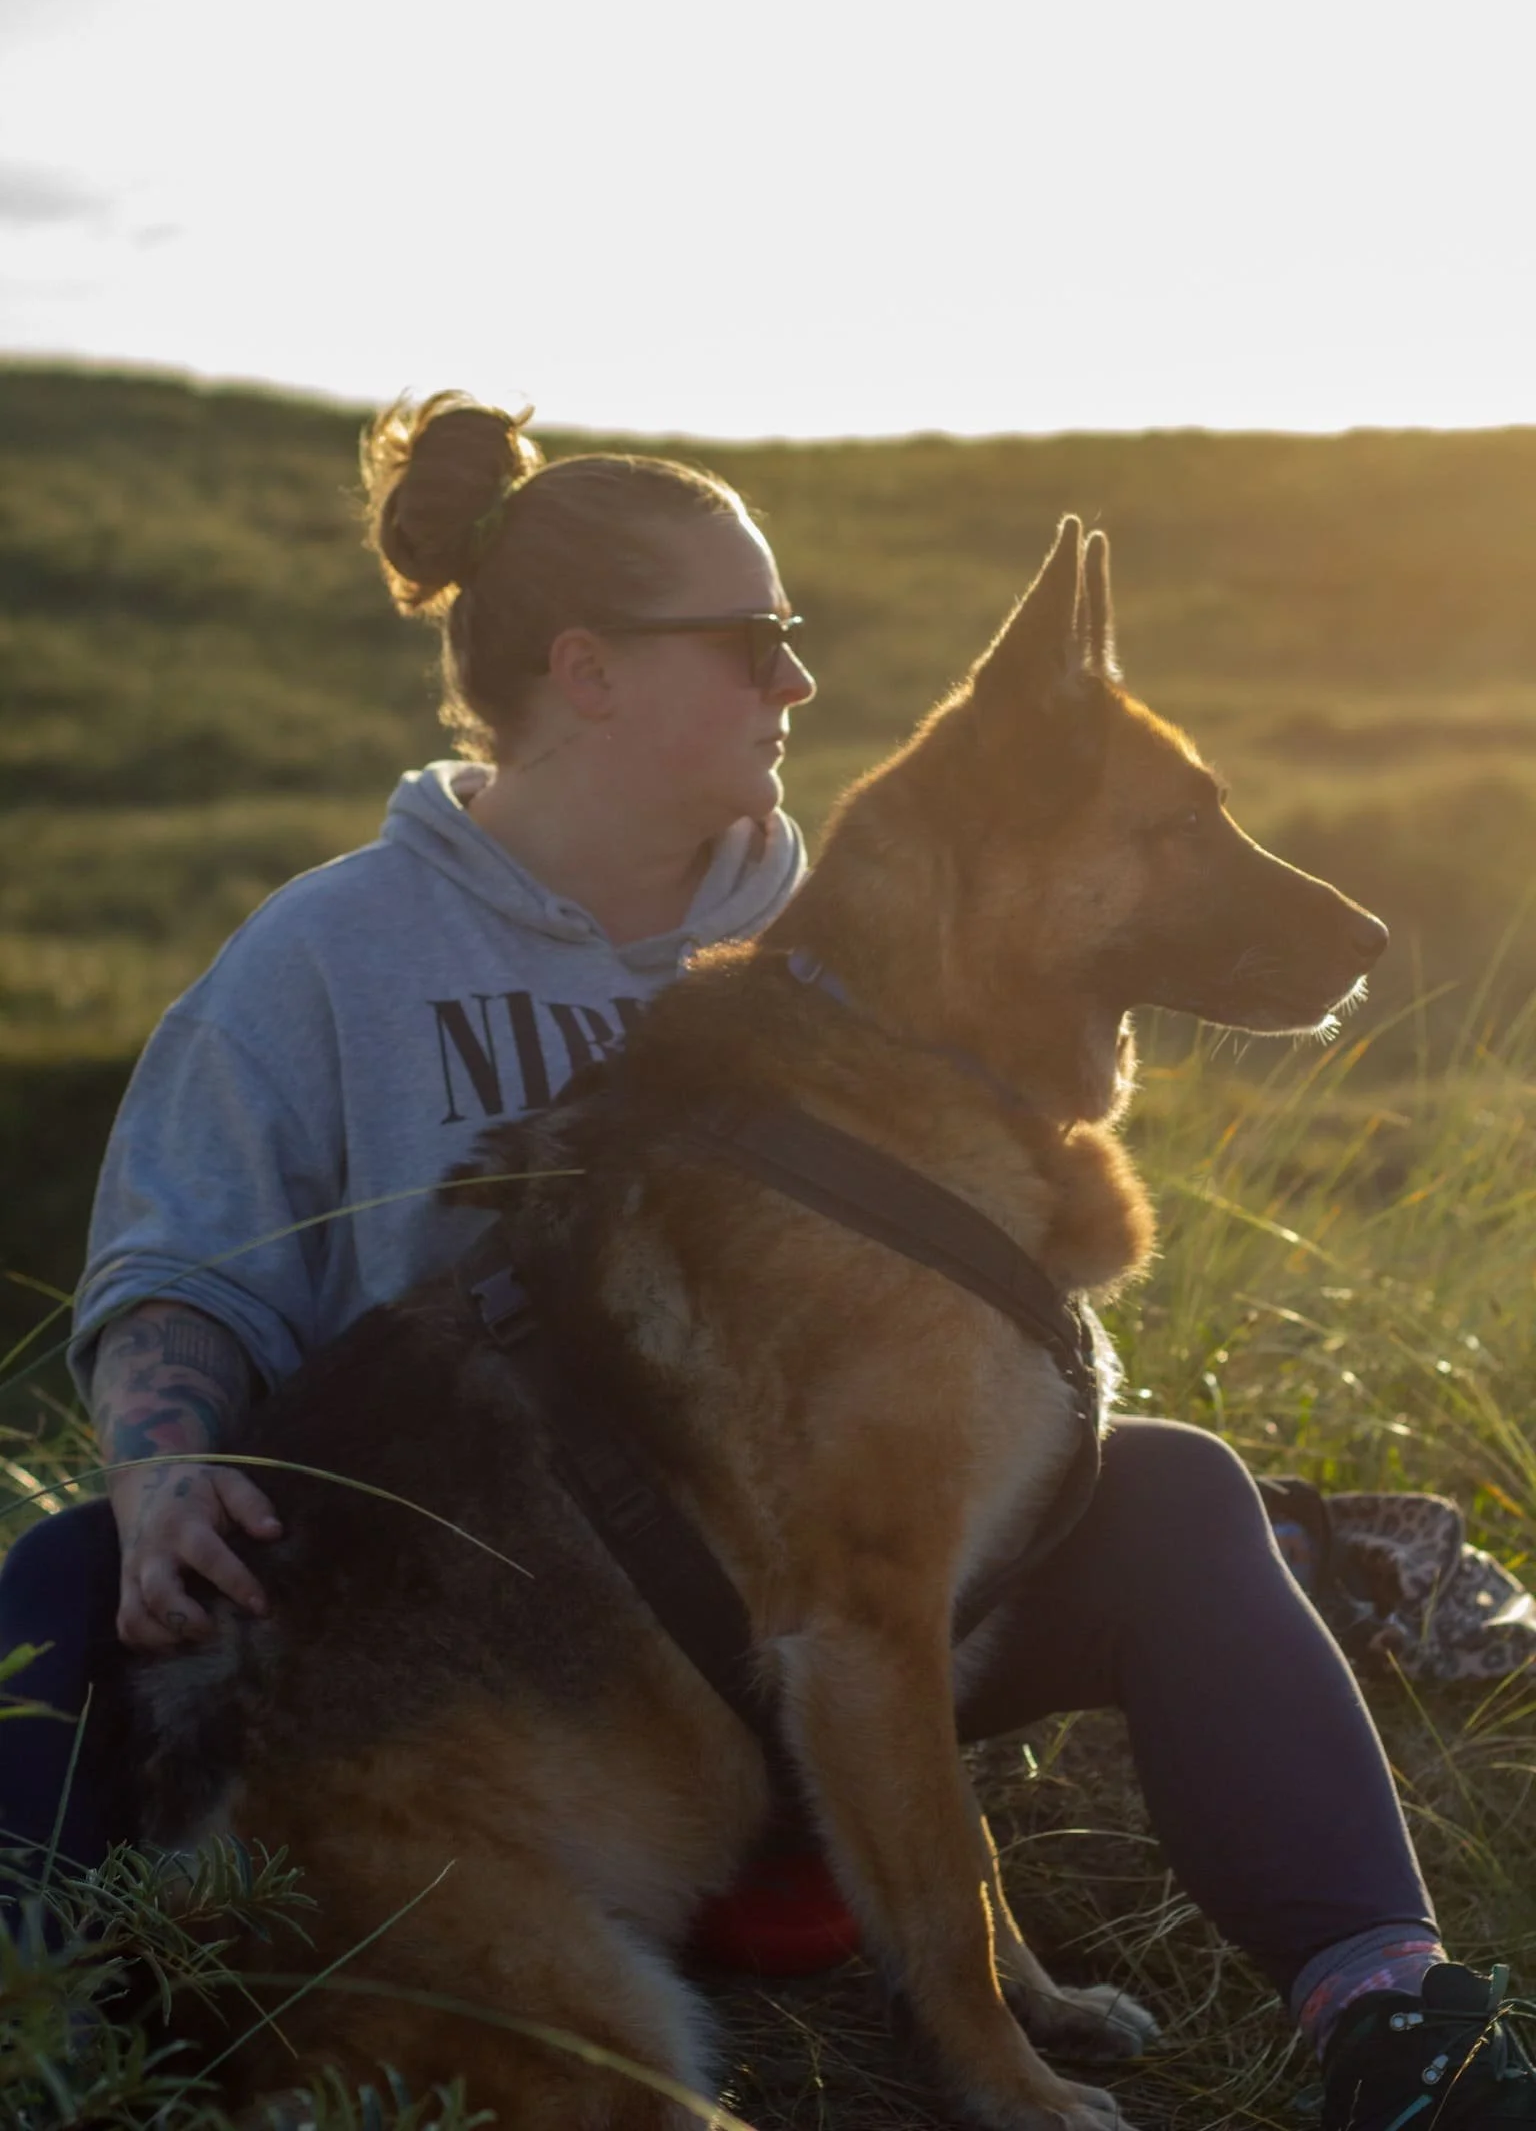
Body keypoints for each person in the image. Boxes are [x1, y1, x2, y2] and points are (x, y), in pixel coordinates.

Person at [1, 393, 1530, 2130]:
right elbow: (180, 1271)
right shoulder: (330, 952)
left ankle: (1387, 2005)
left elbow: (892, 1455)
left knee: (1180, 1497)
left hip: (782, 1649)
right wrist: (163, 1462)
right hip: (485, 1621)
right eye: (752, 642)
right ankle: (42, 2034)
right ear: (587, 671)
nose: (797, 682)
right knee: (66, 1573)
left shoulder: (838, 932)